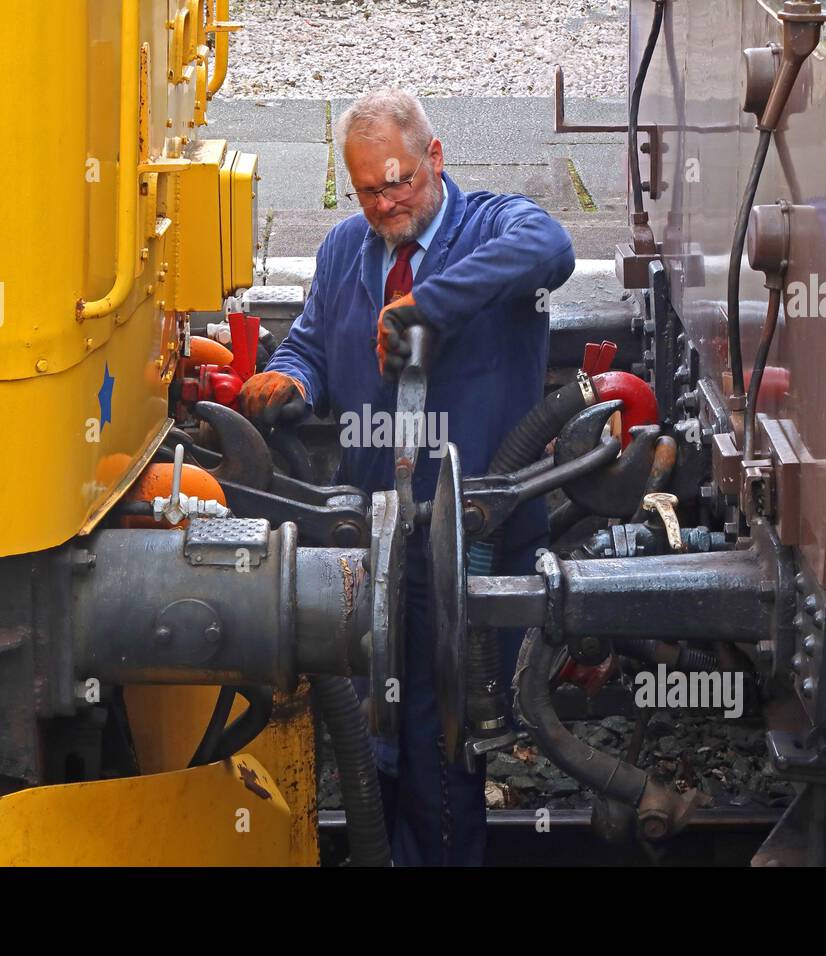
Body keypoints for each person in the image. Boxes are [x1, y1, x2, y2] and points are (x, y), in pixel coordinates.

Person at [239, 88, 575, 865]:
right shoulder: (341, 252)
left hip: (471, 549)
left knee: (441, 743)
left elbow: (552, 249)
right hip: (378, 550)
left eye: (400, 182)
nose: (386, 202)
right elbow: (313, 345)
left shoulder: (496, 225)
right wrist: (289, 380)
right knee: (379, 738)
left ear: (435, 158)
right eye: (367, 190)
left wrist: (429, 307)